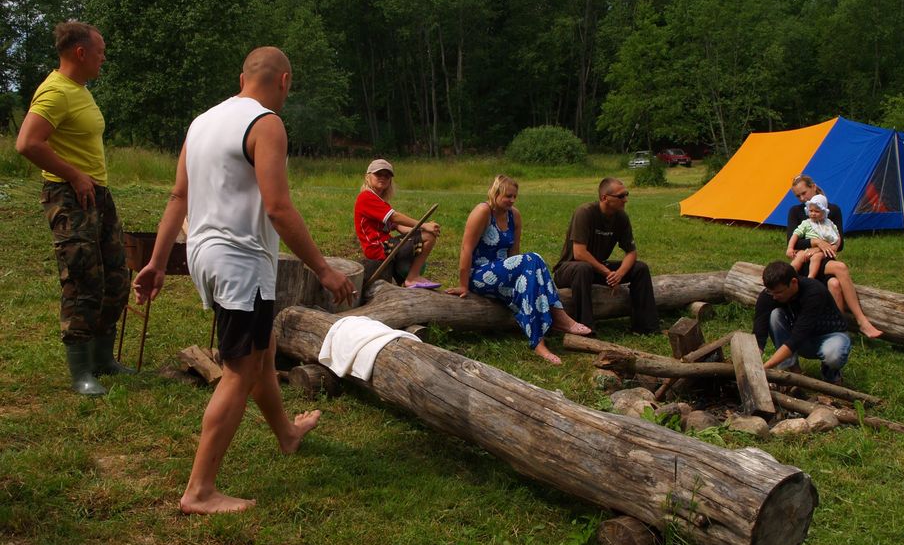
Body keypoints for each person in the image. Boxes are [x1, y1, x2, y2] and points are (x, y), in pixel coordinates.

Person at [133, 47, 355, 515]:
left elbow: (178, 197)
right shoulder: (266, 123)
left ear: (241, 78)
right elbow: (278, 207)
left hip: (204, 255)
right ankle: (199, 491)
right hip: (240, 262)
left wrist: (157, 261)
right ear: (285, 81)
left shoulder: (201, 123)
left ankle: (287, 434)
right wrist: (323, 269)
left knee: (262, 349)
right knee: (240, 370)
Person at [15, 21, 133, 396]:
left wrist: (90, 182)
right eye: (100, 52)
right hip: (68, 196)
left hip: (96, 193)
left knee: (115, 275)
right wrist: (75, 175)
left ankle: (102, 359)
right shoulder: (55, 92)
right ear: (80, 53)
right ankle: (81, 371)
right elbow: (27, 142)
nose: (104, 58)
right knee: (83, 278)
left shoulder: (79, 90)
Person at [446, 175, 591, 365]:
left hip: (504, 272)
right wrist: (463, 285)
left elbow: (514, 254)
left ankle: (538, 343)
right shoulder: (483, 211)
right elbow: (466, 249)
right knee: (533, 258)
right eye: (508, 196)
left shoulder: (514, 215)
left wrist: (521, 278)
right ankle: (559, 316)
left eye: (515, 196)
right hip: (480, 275)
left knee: (528, 283)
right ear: (495, 193)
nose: (512, 200)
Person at [552, 177, 658, 334]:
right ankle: (586, 328)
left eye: (626, 194)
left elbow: (631, 252)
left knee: (640, 268)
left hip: (596, 268)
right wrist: (607, 272)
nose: (626, 200)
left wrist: (619, 274)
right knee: (583, 268)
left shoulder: (621, 217)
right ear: (604, 198)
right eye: (621, 196)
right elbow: (579, 253)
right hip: (569, 269)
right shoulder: (585, 212)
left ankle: (646, 327)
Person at [786, 175, 882, 338]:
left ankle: (838, 331)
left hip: (825, 258)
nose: (802, 198)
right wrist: (816, 242)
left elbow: (840, 243)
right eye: (798, 196)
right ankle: (862, 321)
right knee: (841, 267)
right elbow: (792, 241)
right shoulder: (796, 212)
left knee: (835, 284)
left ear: (813, 187)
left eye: (804, 193)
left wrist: (821, 248)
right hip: (806, 262)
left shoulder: (833, 210)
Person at [753, 260, 851, 384]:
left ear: (793, 282)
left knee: (834, 355)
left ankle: (831, 375)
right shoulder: (769, 295)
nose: (774, 297)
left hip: (831, 336)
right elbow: (758, 336)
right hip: (802, 340)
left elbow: (796, 339)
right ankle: (794, 373)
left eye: (778, 292)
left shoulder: (814, 293)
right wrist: (751, 363)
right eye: (770, 291)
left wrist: (764, 368)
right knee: (775, 315)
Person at [354, 159, 440, 288]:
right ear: (368, 177)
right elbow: (394, 217)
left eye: (387, 175)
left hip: (386, 246)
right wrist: (423, 225)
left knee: (426, 235)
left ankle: (409, 277)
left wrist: (421, 231)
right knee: (429, 237)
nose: (383, 177)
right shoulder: (366, 197)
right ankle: (412, 277)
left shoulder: (380, 202)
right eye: (378, 174)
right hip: (378, 248)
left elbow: (399, 226)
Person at [787, 194, 839, 280]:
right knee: (798, 257)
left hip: (823, 250)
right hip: (808, 249)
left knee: (816, 257)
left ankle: (811, 278)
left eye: (817, 211)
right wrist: (790, 248)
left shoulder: (829, 224)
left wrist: (835, 246)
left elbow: (837, 237)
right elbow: (795, 234)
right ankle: (788, 275)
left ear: (824, 212)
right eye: (811, 211)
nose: (813, 214)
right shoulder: (807, 223)